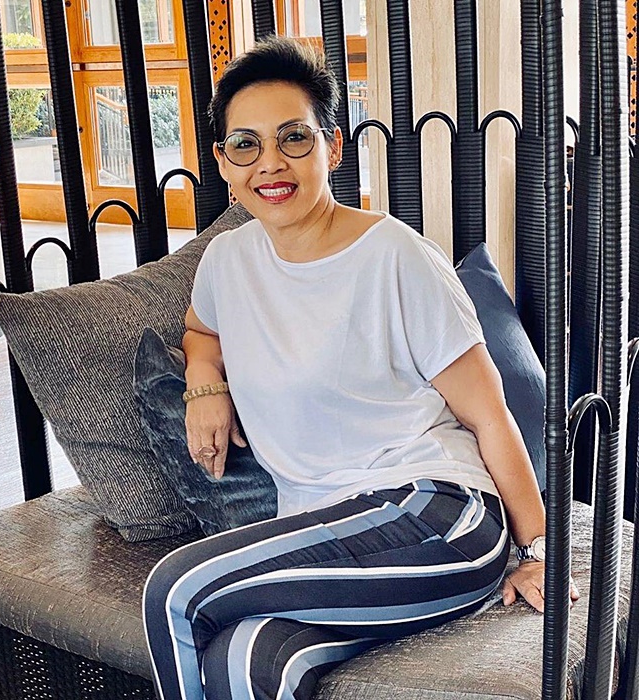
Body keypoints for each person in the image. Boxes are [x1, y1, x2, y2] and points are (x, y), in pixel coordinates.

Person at [143, 35, 578, 700]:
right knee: (246, 655)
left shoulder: (396, 257)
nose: (270, 163)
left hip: (439, 516)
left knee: (176, 588)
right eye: (246, 145)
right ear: (224, 162)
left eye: (294, 138)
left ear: (333, 147)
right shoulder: (228, 261)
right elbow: (201, 330)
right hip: (330, 531)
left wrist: (539, 550)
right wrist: (205, 385)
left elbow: (490, 415)